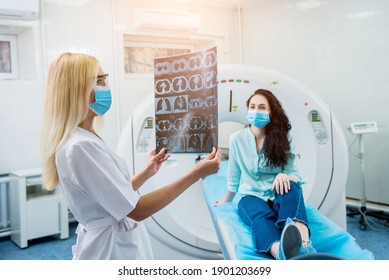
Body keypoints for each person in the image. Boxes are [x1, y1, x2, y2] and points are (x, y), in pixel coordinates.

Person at [41, 52, 221, 260]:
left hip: (113, 240)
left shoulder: (84, 137)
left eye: (104, 79)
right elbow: (136, 210)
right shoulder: (80, 147)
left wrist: (146, 173)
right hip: (111, 249)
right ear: (78, 89)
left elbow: (112, 196)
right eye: (99, 81)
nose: (105, 86)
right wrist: (196, 174)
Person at [215, 89, 316, 260]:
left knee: (291, 186)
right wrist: (227, 199)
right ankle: (281, 252)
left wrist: (285, 176)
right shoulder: (236, 139)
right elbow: (234, 174)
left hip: (279, 192)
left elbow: (294, 173)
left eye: (262, 107)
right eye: (252, 107)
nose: (256, 111)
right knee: (260, 217)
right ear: (248, 111)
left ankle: (304, 244)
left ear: (270, 112)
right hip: (251, 196)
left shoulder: (284, 139)